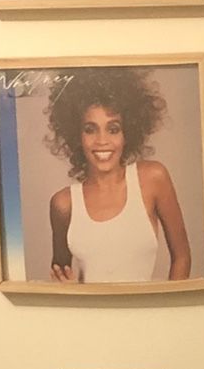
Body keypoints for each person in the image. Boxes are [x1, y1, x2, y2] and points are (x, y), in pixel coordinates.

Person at [43, 67, 192, 284]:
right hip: (90, 316)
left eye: (113, 129)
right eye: (90, 129)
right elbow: (61, 277)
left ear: (127, 133)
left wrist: (169, 310)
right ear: (77, 135)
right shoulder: (63, 204)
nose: (102, 140)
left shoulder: (152, 179)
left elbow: (182, 257)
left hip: (150, 315)